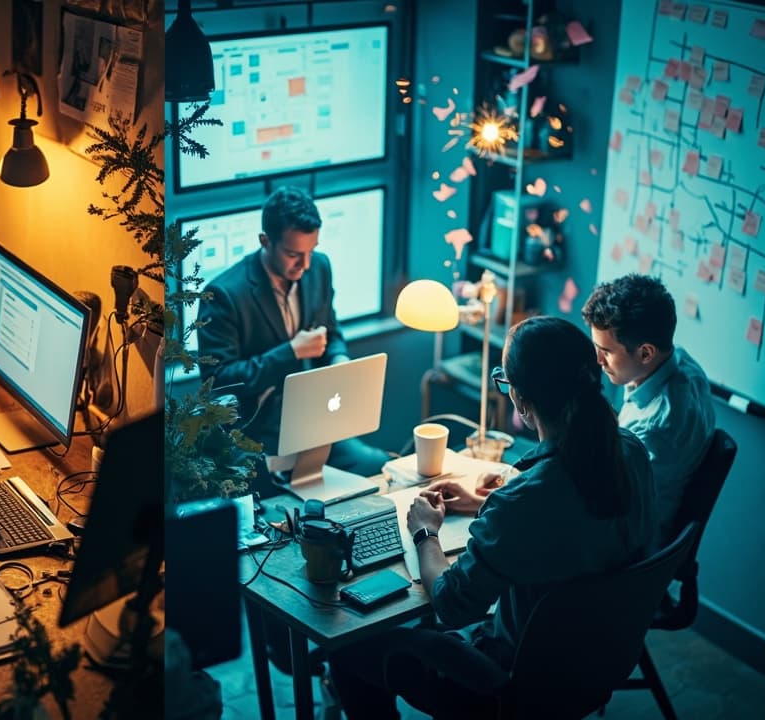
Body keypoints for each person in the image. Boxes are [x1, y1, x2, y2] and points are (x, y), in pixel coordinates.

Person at [328, 316, 656, 719]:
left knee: (347, 647)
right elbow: (566, 516)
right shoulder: (632, 454)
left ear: (518, 399)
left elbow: (451, 604)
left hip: (508, 687)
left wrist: (425, 533)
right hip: (593, 663)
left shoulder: (523, 504)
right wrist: (491, 501)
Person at [197, 186, 387, 484]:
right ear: (265, 241)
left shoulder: (319, 267)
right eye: (293, 254)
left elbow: (331, 330)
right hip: (255, 433)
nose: (305, 264)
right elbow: (218, 381)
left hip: (316, 419)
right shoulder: (223, 294)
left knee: (378, 466)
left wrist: (338, 359)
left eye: (311, 251)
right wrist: (291, 352)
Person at [582, 273, 714, 540]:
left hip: (631, 543)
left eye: (605, 351)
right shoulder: (684, 365)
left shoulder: (654, 428)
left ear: (645, 353)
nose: (598, 360)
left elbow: (608, 501)